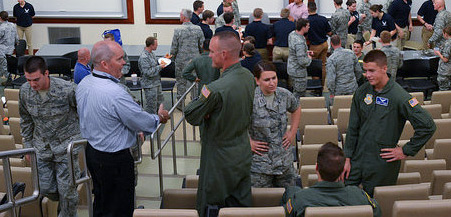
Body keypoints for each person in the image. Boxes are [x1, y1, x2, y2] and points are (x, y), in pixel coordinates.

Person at [76, 40, 170, 217]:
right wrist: (159, 117)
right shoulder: (115, 92)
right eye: (120, 59)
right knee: (120, 208)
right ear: (104, 64)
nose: (124, 62)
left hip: (93, 153)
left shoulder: (85, 83)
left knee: (102, 202)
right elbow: (141, 121)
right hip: (115, 161)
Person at [344, 50, 436, 196]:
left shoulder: (399, 96)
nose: (368, 75)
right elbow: (353, 128)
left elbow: (428, 125)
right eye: (366, 71)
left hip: (382, 164)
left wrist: (406, 150)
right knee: (347, 198)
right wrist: (347, 157)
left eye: (372, 71)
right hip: (357, 159)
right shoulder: (361, 92)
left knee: (376, 204)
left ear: (384, 68)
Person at [184, 31, 255, 217]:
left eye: (212, 51)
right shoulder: (247, 76)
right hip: (241, 150)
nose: (209, 55)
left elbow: (191, 114)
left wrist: (207, 111)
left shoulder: (214, 89)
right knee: (240, 204)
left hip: (218, 158)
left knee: (211, 207)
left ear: (223, 54)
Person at [19, 56, 82, 217]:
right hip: (42, 148)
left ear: (46, 73)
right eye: (28, 79)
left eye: (36, 79)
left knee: (67, 193)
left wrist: (80, 139)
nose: (32, 84)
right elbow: (25, 120)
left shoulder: (67, 90)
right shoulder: (25, 91)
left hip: (66, 147)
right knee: (46, 188)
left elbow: (85, 113)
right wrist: (27, 146)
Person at [282, 143, 382, 217]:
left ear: (316, 168)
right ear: (343, 170)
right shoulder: (360, 196)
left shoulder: (300, 199)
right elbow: (377, 212)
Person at [249, 60, 301, 188]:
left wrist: (292, 132)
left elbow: (296, 108)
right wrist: (247, 141)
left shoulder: (284, 94)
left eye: (274, 78)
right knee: (264, 203)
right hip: (260, 164)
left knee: (289, 199)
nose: (272, 83)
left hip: (284, 161)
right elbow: (236, 121)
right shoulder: (249, 98)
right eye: (267, 80)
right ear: (257, 80)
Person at [170, 9, 204, 107]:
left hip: (181, 61)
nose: (179, 16)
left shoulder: (178, 30)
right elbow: (201, 45)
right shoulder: (198, 29)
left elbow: (174, 47)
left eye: (180, 15)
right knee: (195, 82)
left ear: (184, 17)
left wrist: (173, 57)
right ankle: (195, 102)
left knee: (181, 83)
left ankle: (181, 104)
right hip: (195, 61)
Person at [139, 36, 168, 114]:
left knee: (160, 102)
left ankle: (159, 118)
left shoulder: (151, 54)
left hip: (156, 83)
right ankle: (150, 123)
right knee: (151, 106)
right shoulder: (144, 57)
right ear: (151, 45)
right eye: (156, 44)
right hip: (149, 85)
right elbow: (148, 72)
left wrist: (164, 59)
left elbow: (155, 62)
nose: (157, 46)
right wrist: (160, 67)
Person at [307, 2, 332, 85]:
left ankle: (316, 85)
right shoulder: (323, 19)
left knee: (314, 66)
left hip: (314, 46)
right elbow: (329, 32)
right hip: (324, 44)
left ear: (308, 9)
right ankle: (322, 84)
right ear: (316, 8)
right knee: (323, 65)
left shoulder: (307, 21)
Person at [288, 18, 312, 99]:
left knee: (295, 92)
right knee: (299, 95)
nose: (309, 27)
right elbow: (302, 62)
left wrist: (305, 52)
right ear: (303, 27)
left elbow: (295, 51)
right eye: (308, 26)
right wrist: (309, 58)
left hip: (292, 68)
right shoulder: (300, 42)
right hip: (298, 72)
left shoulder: (292, 34)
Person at [434, 26, 451, 91]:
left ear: (445, 34)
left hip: (445, 71)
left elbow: (445, 59)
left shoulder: (448, 44)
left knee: (443, 90)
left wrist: (438, 53)